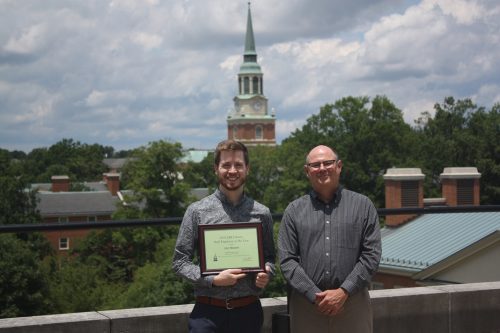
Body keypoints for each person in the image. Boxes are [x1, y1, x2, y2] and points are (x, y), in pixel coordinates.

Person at [172, 139, 275, 333]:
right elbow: (179, 262)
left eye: (238, 165)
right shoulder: (197, 211)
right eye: (226, 165)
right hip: (207, 314)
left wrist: (267, 272)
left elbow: (270, 257)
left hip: (248, 313)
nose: (232, 171)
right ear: (216, 169)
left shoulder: (262, 213)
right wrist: (213, 280)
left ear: (247, 169)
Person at [278, 145, 381, 333]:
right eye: (315, 165)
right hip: (306, 308)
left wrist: (344, 292)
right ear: (307, 171)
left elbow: (371, 255)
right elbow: (287, 261)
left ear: (339, 166)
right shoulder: (293, 211)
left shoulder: (363, 206)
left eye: (328, 163)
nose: (322, 168)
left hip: (352, 305)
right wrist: (314, 295)